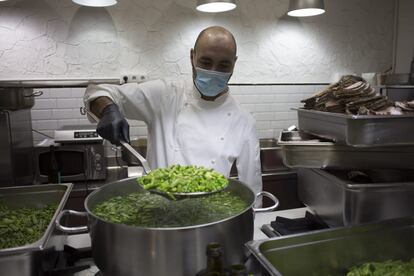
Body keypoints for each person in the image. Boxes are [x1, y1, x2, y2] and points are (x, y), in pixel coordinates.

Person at [84, 26, 262, 195]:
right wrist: (108, 109)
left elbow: (253, 188)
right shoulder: (165, 95)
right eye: (206, 62)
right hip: (158, 215)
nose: (213, 71)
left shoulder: (243, 121)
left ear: (234, 63)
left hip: (211, 218)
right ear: (192, 56)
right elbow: (98, 91)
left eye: (223, 65)